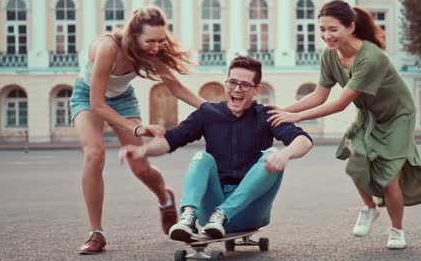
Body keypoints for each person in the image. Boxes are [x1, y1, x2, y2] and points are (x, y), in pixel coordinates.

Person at [267, 0, 421, 249]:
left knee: (389, 179)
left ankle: (397, 231)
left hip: (397, 117)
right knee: (355, 162)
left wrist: (296, 118)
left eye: (332, 29)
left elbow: (340, 104)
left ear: (350, 27)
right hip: (369, 114)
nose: (326, 36)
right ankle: (370, 208)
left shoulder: (371, 58)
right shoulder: (330, 56)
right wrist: (283, 110)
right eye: (322, 29)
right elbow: (320, 95)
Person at [119, 55, 313, 241]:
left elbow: (303, 140)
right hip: (211, 212)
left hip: (252, 209)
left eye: (245, 84)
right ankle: (188, 216)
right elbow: (170, 140)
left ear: (256, 89)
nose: (237, 89)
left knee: (272, 154)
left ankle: (224, 213)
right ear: (226, 83)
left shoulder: (267, 114)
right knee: (201, 158)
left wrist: (285, 154)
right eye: (232, 82)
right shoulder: (208, 113)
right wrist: (142, 151)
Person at [70, 6, 206, 254]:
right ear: (133, 36)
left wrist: (211, 108)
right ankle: (96, 233)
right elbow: (98, 104)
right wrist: (138, 128)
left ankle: (165, 198)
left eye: (160, 40)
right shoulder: (107, 48)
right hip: (88, 97)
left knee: (140, 165)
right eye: (150, 41)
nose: (156, 47)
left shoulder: (153, 51)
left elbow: (176, 88)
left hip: (123, 99)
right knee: (94, 154)